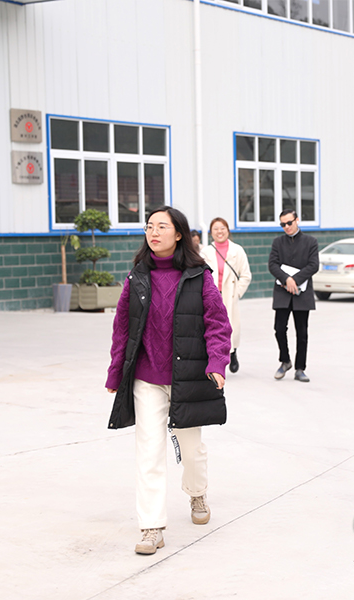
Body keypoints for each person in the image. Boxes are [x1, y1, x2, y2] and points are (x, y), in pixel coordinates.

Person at [106, 206, 232, 555]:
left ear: (179, 234)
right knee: (149, 452)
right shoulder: (136, 278)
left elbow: (218, 323)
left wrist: (217, 362)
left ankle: (197, 493)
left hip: (187, 377)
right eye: (149, 226)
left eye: (162, 226)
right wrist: (116, 372)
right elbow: (122, 329)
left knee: (191, 450)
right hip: (147, 378)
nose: (154, 232)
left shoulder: (198, 276)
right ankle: (151, 527)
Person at [267, 209, 319, 382]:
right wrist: (286, 279)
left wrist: (295, 280)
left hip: (302, 292)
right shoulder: (278, 242)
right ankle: (285, 360)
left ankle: (300, 368)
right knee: (279, 329)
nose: (287, 227)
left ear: (297, 220)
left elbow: (313, 265)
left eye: (289, 223)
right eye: (283, 224)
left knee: (302, 332)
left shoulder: (311, 242)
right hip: (282, 291)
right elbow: (272, 265)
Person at [201, 217, 253, 373]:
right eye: (216, 229)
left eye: (222, 228)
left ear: (228, 230)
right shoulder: (206, 252)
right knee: (211, 325)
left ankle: (233, 351)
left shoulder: (237, 250)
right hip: (211, 295)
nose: (219, 232)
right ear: (211, 233)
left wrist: (237, 293)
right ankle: (213, 358)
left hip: (229, 295)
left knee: (231, 326)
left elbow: (246, 275)